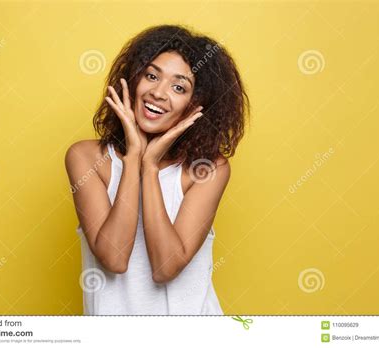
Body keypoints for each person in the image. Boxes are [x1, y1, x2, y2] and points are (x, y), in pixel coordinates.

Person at [65, 24, 250, 315]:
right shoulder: (87, 158)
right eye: (151, 76)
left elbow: (165, 267)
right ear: (132, 80)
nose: (159, 93)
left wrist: (149, 167)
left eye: (179, 87)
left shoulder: (208, 169)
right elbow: (114, 258)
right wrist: (134, 156)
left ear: (196, 106)